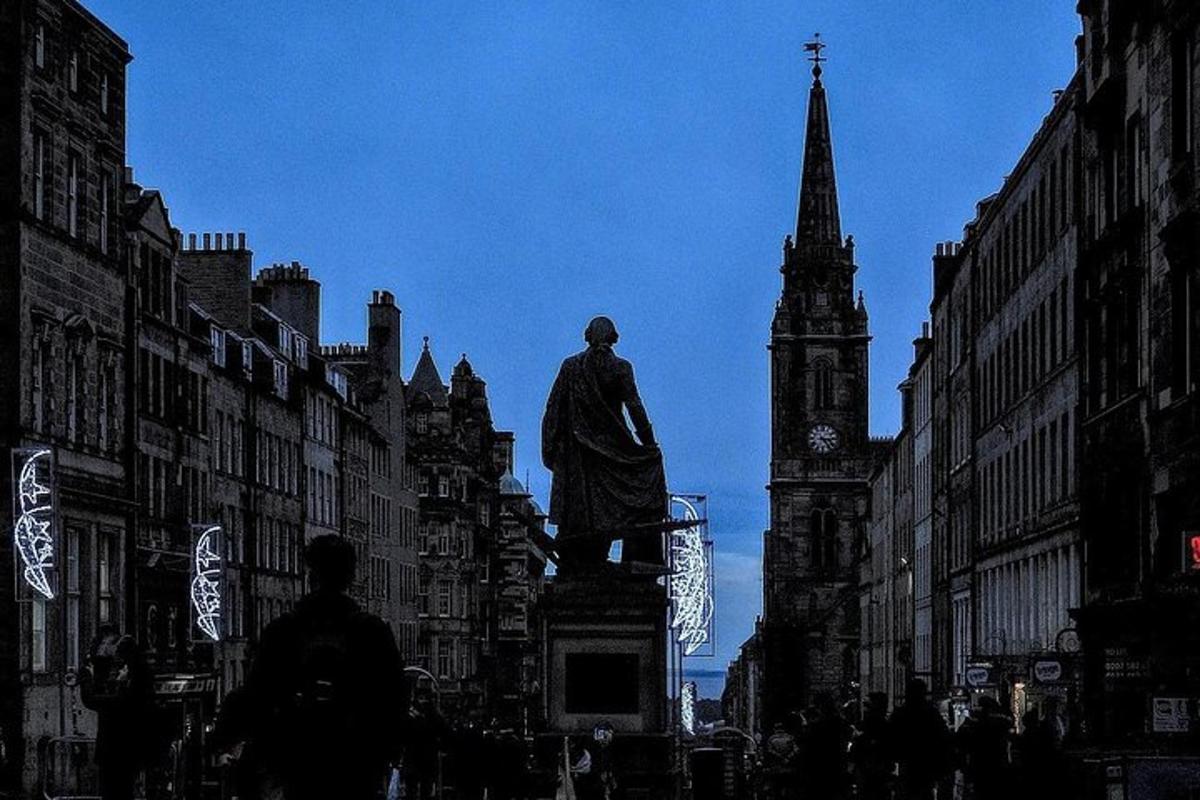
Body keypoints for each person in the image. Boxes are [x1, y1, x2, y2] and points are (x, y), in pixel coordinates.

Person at [241, 534, 408, 800]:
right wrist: (382, 752)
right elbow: (395, 700)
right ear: (350, 577)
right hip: (356, 766)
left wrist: (271, 753)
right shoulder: (372, 632)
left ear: (311, 575)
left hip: (300, 765)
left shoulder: (283, 632)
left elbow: (256, 697)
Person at [542, 316, 668, 569]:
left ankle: (587, 556)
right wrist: (649, 444)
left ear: (588, 336)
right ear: (613, 338)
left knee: (583, 508)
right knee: (648, 475)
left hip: (579, 451)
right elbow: (635, 407)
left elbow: (553, 410)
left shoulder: (571, 366)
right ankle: (635, 555)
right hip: (612, 448)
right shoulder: (620, 367)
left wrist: (550, 447)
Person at [79, 629, 156, 800]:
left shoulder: (127, 696)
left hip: (116, 753)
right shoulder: (138, 692)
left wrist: (87, 678)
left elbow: (93, 700)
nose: (118, 672)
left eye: (122, 667)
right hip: (126, 754)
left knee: (115, 790)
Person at [886, 679, 952, 800]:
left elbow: (890, 740)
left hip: (907, 764)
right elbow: (943, 739)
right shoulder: (931, 713)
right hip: (926, 764)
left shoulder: (901, 713)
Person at [956, 696, 1012, 800]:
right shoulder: (1000, 718)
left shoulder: (974, 719)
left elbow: (961, 737)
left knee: (980, 790)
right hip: (997, 761)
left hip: (979, 761)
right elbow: (1009, 725)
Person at [800, 693, 851, 800]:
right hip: (837, 768)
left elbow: (807, 749)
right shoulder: (841, 723)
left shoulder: (815, 727)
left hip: (818, 770)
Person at [850, 692, 892, 800]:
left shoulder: (875, 725)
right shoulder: (884, 725)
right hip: (876, 770)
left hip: (871, 770)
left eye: (867, 705)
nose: (865, 709)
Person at [764, 722, 799, 800]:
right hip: (789, 767)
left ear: (775, 729)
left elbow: (769, 751)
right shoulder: (790, 737)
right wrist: (788, 757)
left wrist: (779, 756)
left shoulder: (772, 739)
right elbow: (796, 749)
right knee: (789, 787)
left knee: (776, 789)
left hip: (776, 768)